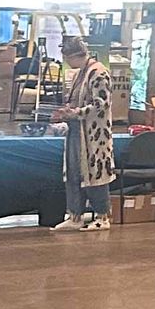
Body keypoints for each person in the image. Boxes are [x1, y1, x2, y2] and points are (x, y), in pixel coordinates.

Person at [53, 35, 115, 229]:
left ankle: (102, 216)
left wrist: (76, 112)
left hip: (94, 136)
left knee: (96, 173)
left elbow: (101, 104)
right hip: (76, 130)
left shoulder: (98, 73)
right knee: (72, 172)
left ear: (73, 56)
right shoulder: (81, 72)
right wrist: (67, 111)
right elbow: (78, 100)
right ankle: (74, 215)